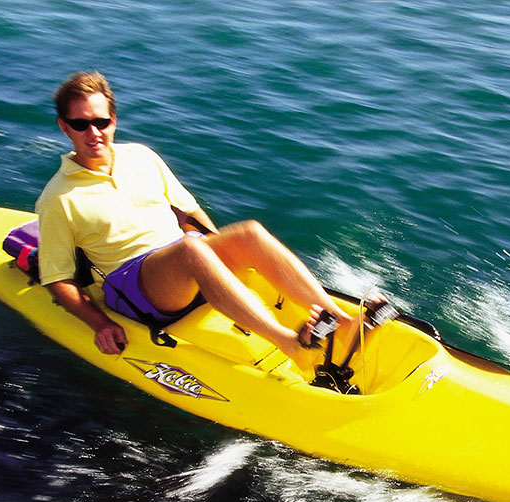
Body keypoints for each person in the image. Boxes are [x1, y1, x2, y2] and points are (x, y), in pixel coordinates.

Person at [36, 71, 354, 366]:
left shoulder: (141, 156)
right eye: (80, 125)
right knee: (192, 248)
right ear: (64, 127)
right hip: (134, 284)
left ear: (113, 121)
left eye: (101, 122)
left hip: (186, 258)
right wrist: (101, 323)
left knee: (250, 232)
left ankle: (340, 319)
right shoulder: (58, 197)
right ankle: (288, 342)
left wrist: (221, 264)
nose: (93, 133)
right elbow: (56, 277)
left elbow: (189, 212)